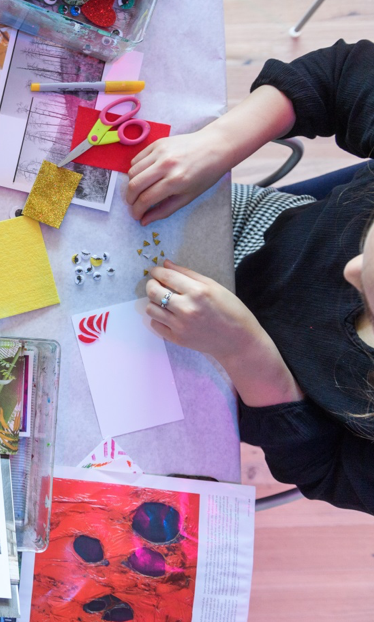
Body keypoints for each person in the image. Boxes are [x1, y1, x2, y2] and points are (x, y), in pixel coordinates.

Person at [125, 40, 374, 514]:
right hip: (250, 230)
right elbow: (342, 74)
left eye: (370, 300)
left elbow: (325, 469)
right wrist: (218, 143)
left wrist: (243, 350)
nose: (351, 268)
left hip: (248, 388)